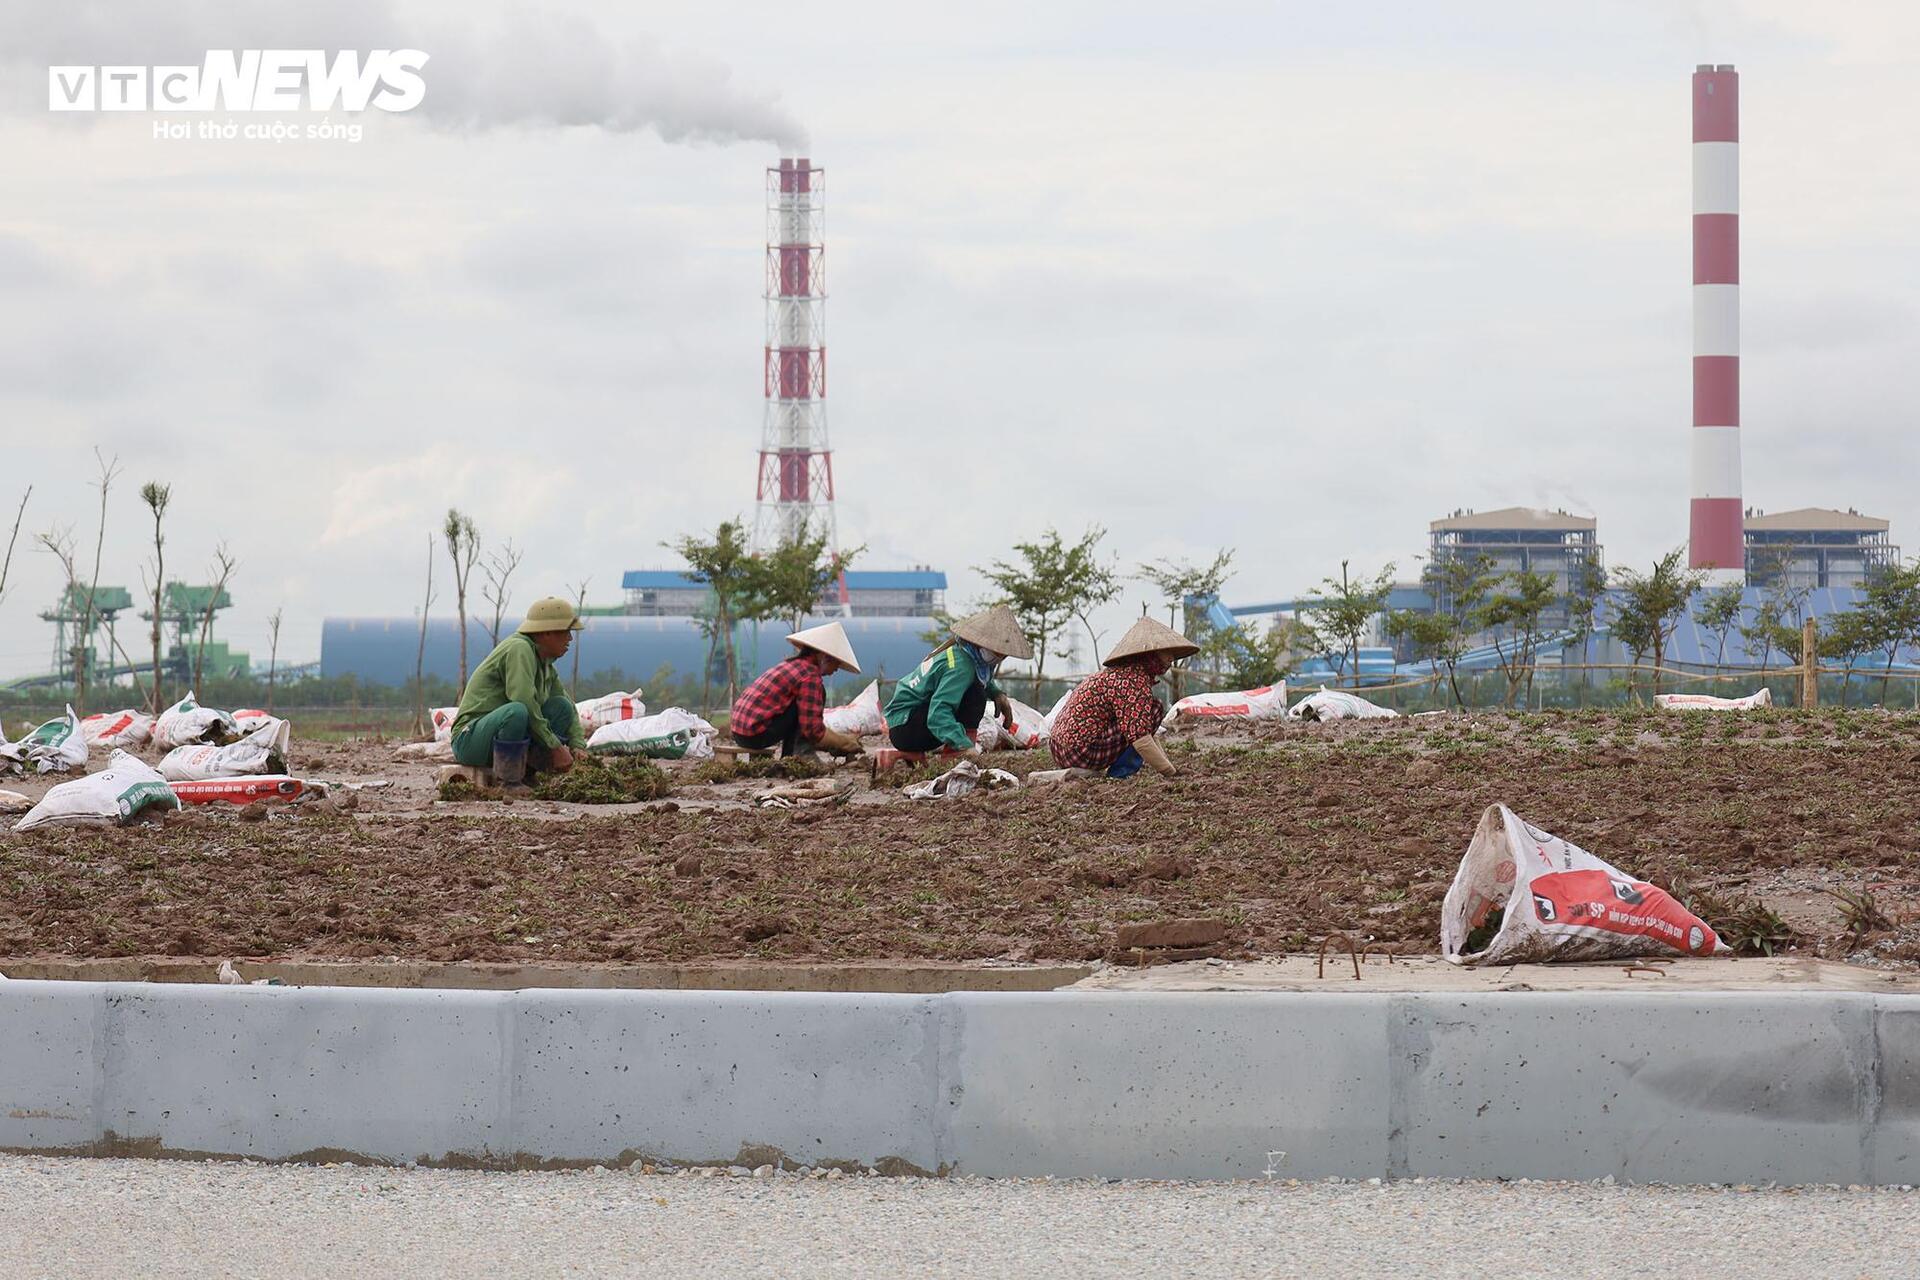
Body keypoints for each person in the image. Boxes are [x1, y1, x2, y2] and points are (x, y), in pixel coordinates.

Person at [449, 596, 589, 778]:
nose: (570, 638)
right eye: (566, 632)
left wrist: (577, 745)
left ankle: (532, 772)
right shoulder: (519, 649)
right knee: (516, 711)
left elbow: (568, 706)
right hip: (469, 740)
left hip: (503, 736)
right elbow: (523, 701)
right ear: (547, 633)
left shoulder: (545, 665)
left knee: (561, 707)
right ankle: (508, 780)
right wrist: (554, 746)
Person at [1047, 616, 1195, 779]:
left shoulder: (1117, 675)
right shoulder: (1133, 682)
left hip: (1060, 748)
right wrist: (1170, 772)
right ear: (1150, 654)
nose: (1170, 659)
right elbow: (1141, 738)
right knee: (1154, 709)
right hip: (1078, 752)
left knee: (1143, 717)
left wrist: (1168, 765)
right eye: (1166, 653)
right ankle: (1120, 774)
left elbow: (1146, 730)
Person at [884, 605, 1032, 757]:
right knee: (976, 696)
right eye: (999, 653)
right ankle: (955, 754)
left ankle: (956, 750)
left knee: (976, 690)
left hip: (906, 723)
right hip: (906, 728)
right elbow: (937, 714)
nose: (1000, 658)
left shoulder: (965, 654)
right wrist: (964, 745)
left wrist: (996, 693)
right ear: (983, 644)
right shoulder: (961, 667)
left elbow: (979, 680)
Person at [730, 622, 865, 758]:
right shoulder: (810, 676)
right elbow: (813, 729)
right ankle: (800, 755)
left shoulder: (793, 664)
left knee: (807, 703)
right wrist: (844, 742)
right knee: (817, 696)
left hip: (740, 731)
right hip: (755, 733)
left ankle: (791, 754)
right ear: (826, 658)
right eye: (836, 664)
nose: (836, 669)